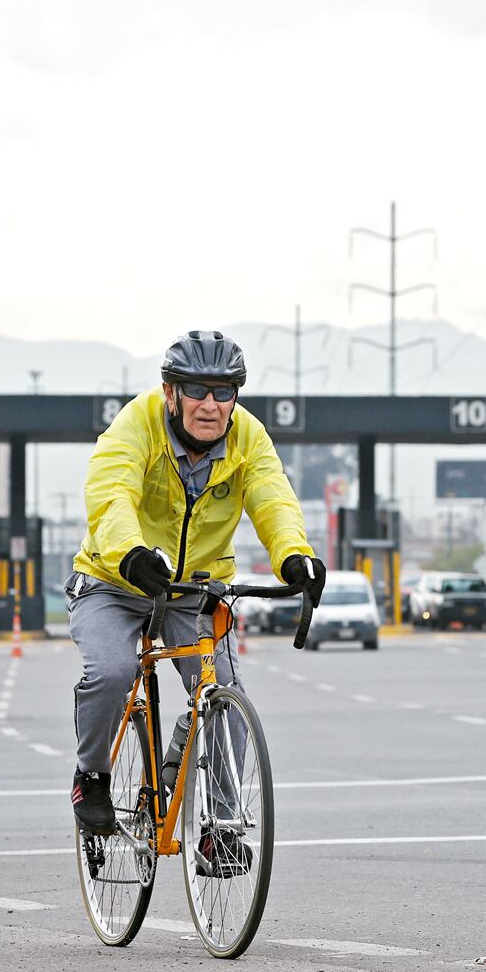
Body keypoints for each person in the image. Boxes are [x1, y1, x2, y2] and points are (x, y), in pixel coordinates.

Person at [68, 331, 324, 870]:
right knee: (113, 672)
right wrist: (130, 551)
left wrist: (294, 557)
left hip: (193, 590)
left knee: (223, 693)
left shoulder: (248, 437)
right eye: (197, 391)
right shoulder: (135, 424)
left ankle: (221, 828)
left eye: (224, 392)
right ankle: (91, 776)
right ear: (170, 392)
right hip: (116, 578)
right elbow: (110, 492)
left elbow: (273, 497)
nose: (211, 404)